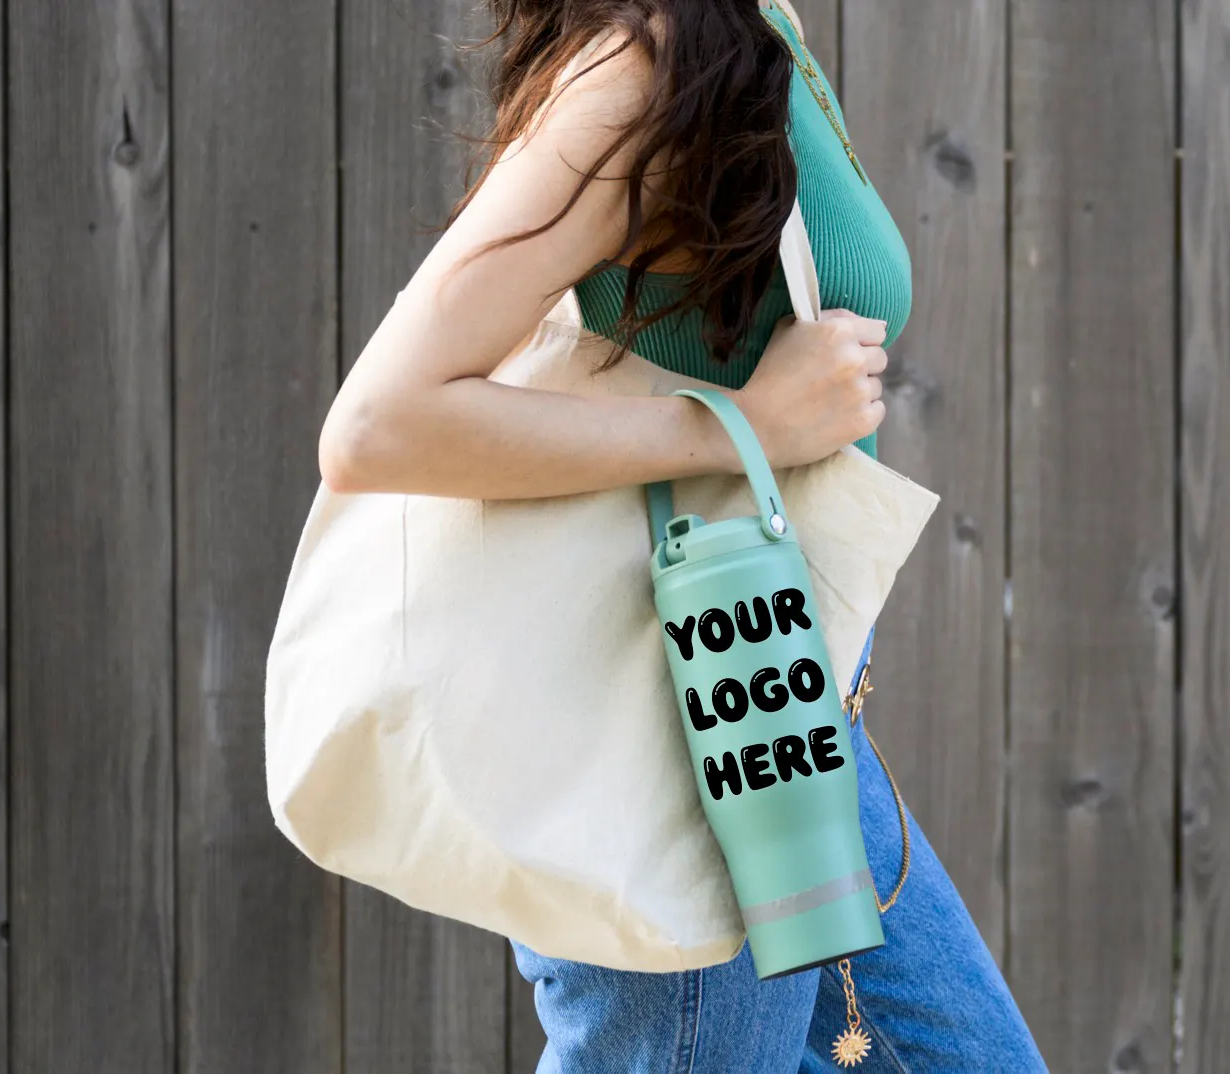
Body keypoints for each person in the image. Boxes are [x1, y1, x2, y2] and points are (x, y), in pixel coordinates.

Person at [317, 1, 1044, 1069]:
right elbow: (378, 424)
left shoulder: (754, 21)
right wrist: (735, 426)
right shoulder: (640, 68)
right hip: (677, 724)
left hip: (778, 700)